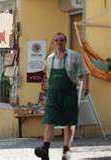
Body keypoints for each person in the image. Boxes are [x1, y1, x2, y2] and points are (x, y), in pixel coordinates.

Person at [34, 32, 89, 160]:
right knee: (49, 120)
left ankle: (66, 150)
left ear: (65, 42)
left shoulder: (74, 56)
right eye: (56, 40)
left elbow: (84, 72)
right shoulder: (49, 59)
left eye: (61, 40)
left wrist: (86, 86)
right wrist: (46, 88)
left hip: (69, 95)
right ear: (53, 43)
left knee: (68, 124)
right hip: (53, 95)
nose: (59, 43)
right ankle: (45, 149)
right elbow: (47, 76)